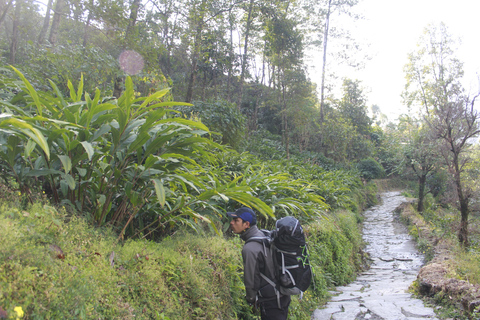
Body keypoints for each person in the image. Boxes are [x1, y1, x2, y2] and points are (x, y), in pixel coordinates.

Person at [227, 207, 291, 320]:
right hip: (282, 294)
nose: (231, 223)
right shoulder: (263, 235)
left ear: (246, 224)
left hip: (271, 301)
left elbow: (251, 279)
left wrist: (251, 299)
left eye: (236, 220)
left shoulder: (250, 248)